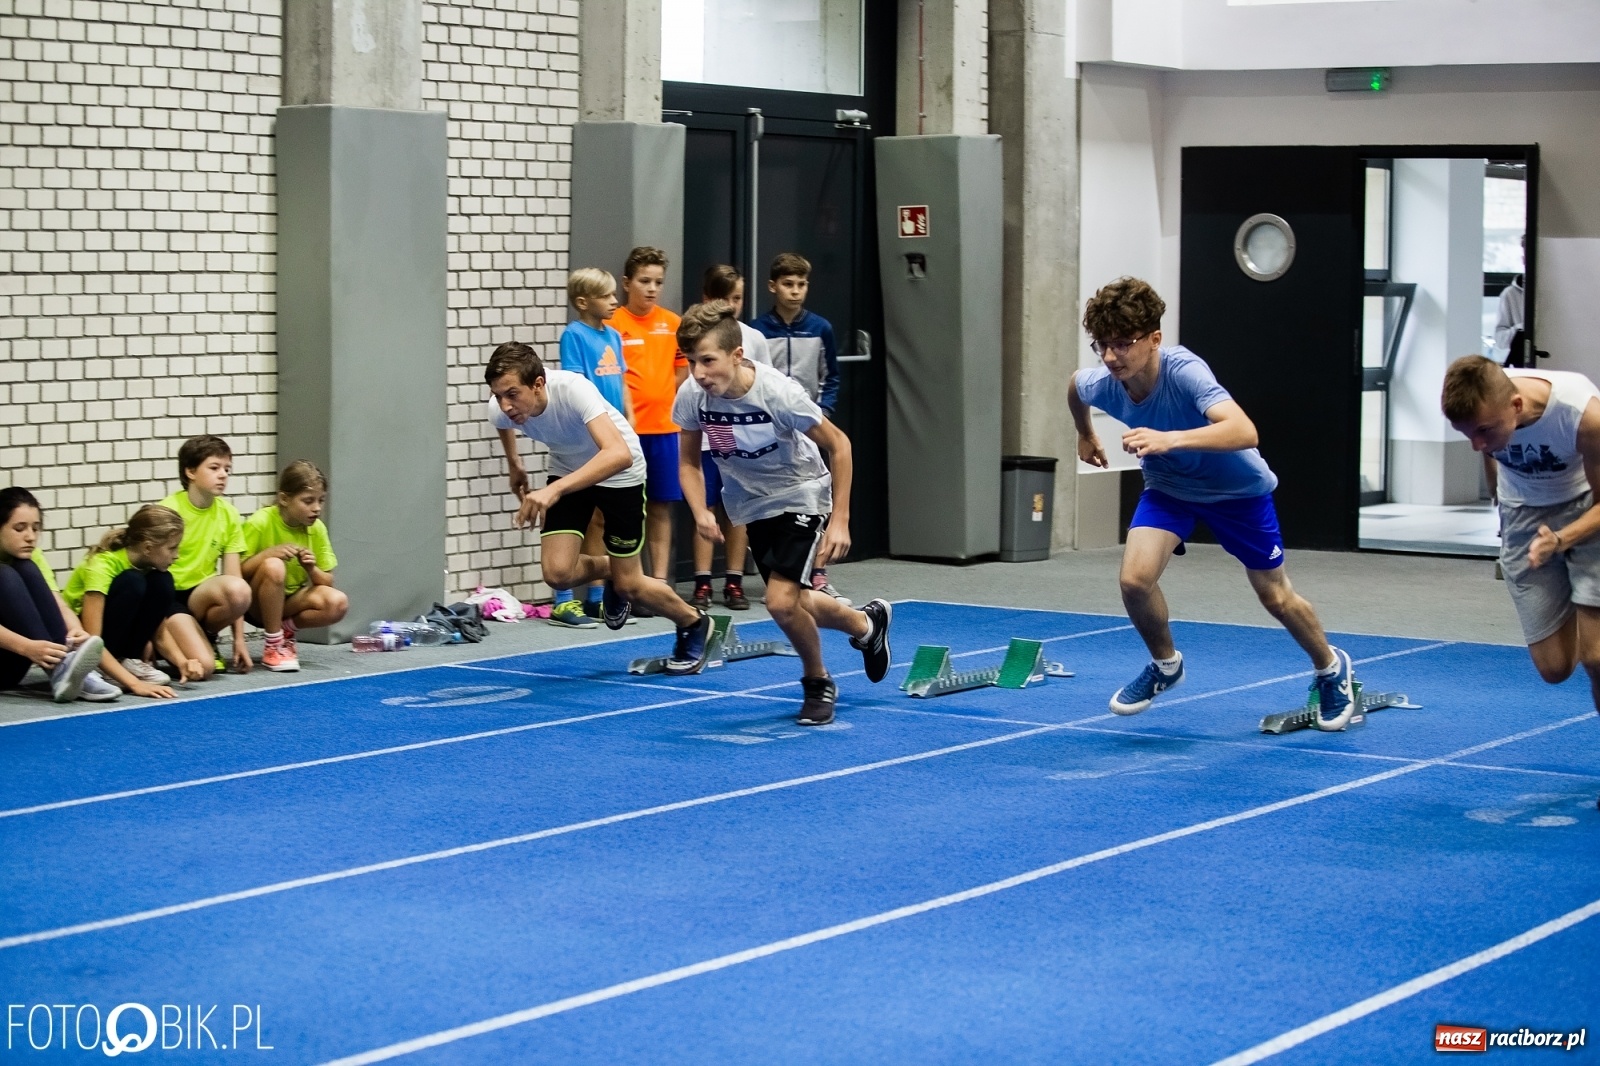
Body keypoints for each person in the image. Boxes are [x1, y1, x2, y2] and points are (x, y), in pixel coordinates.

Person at [1066, 277, 1357, 730]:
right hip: (1169, 488)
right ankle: (1166, 666)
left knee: (1276, 598)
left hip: (1237, 492)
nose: (1109, 357)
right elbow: (1075, 388)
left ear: (1155, 339)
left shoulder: (1184, 372)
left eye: (1122, 344)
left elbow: (1245, 431)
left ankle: (1330, 667)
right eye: (1100, 344)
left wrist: (1170, 439)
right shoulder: (1104, 382)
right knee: (1134, 581)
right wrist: (1085, 434)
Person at [674, 301, 891, 726]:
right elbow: (687, 462)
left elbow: (840, 445)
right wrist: (700, 510)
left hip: (800, 492)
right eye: (691, 361)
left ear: (737, 356)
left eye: (708, 361)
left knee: (778, 601)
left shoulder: (778, 393)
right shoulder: (692, 396)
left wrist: (841, 519)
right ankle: (867, 625)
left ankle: (818, 681)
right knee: (797, 599)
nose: (698, 373)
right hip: (751, 502)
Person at [485, 342, 713, 674]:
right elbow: (502, 423)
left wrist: (554, 490)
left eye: (512, 394)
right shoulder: (501, 407)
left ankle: (693, 622)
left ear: (538, 384)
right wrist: (515, 465)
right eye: (499, 396)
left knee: (631, 586)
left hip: (620, 473)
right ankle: (610, 569)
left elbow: (617, 453)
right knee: (558, 575)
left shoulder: (573, 390)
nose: (505, 405)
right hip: (568, 468)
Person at [1442, 355, 1600, 725]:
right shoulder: (1486, 405)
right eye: (1468, 435)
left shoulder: (1583, 416)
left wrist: (1561, 539)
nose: (1477, 445)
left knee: (1596, 658)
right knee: (1555, 667)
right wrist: (1497, 491)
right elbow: (1487, 450)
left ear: (1516, 406)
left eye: (1484, 431)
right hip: (1523, 513)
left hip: (1586, 505)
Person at [536, 267, 634, 628]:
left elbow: (621, 384)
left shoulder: (614, 335)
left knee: (603, 518)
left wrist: (628, 423)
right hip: (583, 440)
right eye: (607, 296)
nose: (614, 301)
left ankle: (596, 594)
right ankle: (564, 599)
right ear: (582, 302)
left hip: (611, 436)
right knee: (578, 514)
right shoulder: (574, 335)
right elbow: (577, 384)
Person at [753, 251, 848, 604]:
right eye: (788, 284)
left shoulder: (820, 328)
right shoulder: (757, 331)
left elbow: (831, 376)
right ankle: (780, 573)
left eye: (801, 284)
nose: (795, 291)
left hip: (809, 424)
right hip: (772, 429)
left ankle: (818, 572)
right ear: (773, 286)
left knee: (814, 497)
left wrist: (822, 411)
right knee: (777, 499)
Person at [688, 264, 771, 610]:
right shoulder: (695, 338)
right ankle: (703, 581)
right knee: (705, 507)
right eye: (724, 298)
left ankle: (734, 580)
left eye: (737, 298)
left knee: (738, 509)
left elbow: (765, 382)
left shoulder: (754, 338)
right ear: (708, 299)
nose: (732, 306)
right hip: (710, 434)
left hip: (743, 438)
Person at [611, 247, 686, 594]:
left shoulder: (673, 323)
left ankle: (658, 581)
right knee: (626, 509)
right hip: (627, 432)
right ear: (627, 283)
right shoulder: (614, 324)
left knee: (660, 507)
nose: (652, 288)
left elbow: (681, 373)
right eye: (644, 281)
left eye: (658, 282)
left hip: (665, 431)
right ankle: (630, 581)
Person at [0, 487, 114, 702]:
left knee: (27, 569)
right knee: (4, 574)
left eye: (35, 528)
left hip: (18, 661)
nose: (30, 537)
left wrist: (75, 631)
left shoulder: (28, 556)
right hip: (17, 653)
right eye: (20, 528)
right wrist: (26, 647)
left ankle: (66, 663)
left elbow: (56, 603)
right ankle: (61, 667)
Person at [65, 504, 190, 698]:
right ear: (148, 547)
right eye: (172, 548)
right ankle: (103, 670)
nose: (177, 554)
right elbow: (91, 641)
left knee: (163, 581)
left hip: (109, 640)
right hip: (79, 643)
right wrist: (135, 684)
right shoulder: (102, 566)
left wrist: (183, 662)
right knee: (133, 581)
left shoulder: (148, 565)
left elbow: (159, 631)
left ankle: (127, 660)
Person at [242, 460, 350, 672]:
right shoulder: (260, 522)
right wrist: (267, 554)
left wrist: (311, 569)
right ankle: (273, 645)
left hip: (290, 601)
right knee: (274, 566)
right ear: (284, 499)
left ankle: (284, 629)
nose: (316, 508)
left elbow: (327, 582)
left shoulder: (316, 529)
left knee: (338, 602)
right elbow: (237, 572)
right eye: (308, 501)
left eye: (321, 500)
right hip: (255, 604)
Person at [160, 434, 254, 676]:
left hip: (200, 597)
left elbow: (235, 577)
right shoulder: (167, 511)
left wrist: (239, 640)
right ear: (190, 472)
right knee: (206, 668)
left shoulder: (229, 514)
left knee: (239, 590)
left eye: (227, 469)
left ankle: (208, 636)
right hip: (167, 596)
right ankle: (167, 639)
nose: (223, 475)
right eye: (214, 468)